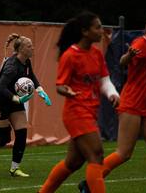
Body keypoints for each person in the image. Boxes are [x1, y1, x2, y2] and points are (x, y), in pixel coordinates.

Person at [38, 11, 120, 193]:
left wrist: (113, 94)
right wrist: (65, 89)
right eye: (97, 27)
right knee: (97, 155)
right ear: (85, 31)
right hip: (76, 112)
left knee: (73, 162)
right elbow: (60, 85)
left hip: (90, 112)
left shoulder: (97, 53)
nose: (101, 31)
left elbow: (104, 81)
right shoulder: (70, 55)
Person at [78, 12, 146, 193]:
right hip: (131, 103)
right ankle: (89, 183)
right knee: (124, 153)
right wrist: (128, 56)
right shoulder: (141, 43)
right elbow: (122, 61)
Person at [0, 33, 51, 177]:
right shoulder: (11, 66)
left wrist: (41, 91)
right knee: (3, 139)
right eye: (29, 46)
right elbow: (1, 88)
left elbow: (32, 76)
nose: (33, 48)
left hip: (15, 101)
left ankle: (14, 168)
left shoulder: (27, 61)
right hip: (1, 101)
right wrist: (16, 99)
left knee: (22, 132)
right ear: (21, 49)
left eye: (32, 46)